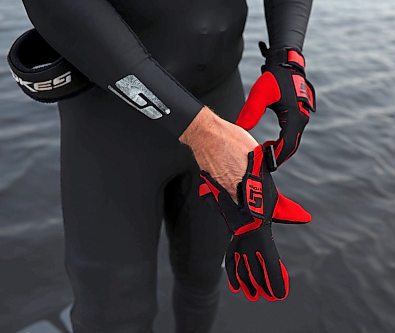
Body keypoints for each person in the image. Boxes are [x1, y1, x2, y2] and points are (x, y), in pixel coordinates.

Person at [17, 0, 314, 332]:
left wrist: (288, 59)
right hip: (111, 127)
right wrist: (203, 132)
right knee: (114, 313)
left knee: (204, 278)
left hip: (222, 103)